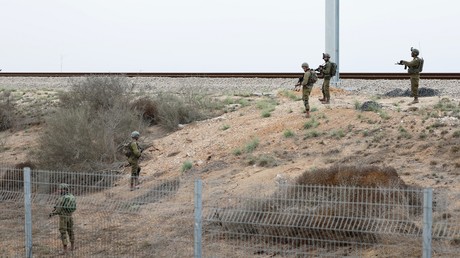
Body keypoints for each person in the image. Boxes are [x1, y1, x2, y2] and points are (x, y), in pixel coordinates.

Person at [49, 183, 76, 255]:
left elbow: (58, 209)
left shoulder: (62, 198)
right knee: (70, 231)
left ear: (64, 190)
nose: (59, 190)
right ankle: (73, 246)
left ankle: (65, 250)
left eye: (60, 189)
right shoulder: (71, 196)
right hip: (70, 216)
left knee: (63, 232)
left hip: (63, 217)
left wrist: (52, 214)